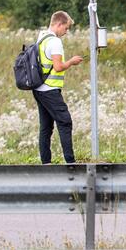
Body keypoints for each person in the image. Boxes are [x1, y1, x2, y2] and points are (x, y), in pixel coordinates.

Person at [33, 11, 83, 164]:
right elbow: (58, 66)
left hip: (39, 88)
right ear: (59, 24)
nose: (66, 32)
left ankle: (46, 163)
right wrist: (72, 62)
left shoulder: (42, 37)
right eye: (66, 28)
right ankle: (70, 162)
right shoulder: (55, 42)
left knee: (46, 127)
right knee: (65, 122)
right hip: (50, 90)